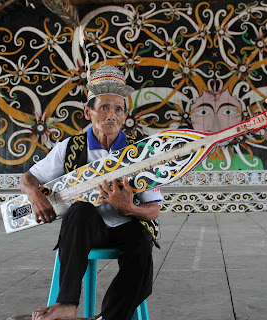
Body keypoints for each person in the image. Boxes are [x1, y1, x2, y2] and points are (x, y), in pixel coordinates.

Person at [20, 65, 162, 320]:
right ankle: (66, 305)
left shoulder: (140, 152)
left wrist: (130, 208)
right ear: (88, 111)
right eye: (104, 107)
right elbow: (29, 178)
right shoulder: (71, 147)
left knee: (142, 246)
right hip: (87, 232)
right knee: (80, 210)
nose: (111, 115)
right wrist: (34, 194)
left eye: (118, 109)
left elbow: (154, 210)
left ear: (125, 115)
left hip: (127, 227)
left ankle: (109, 317)